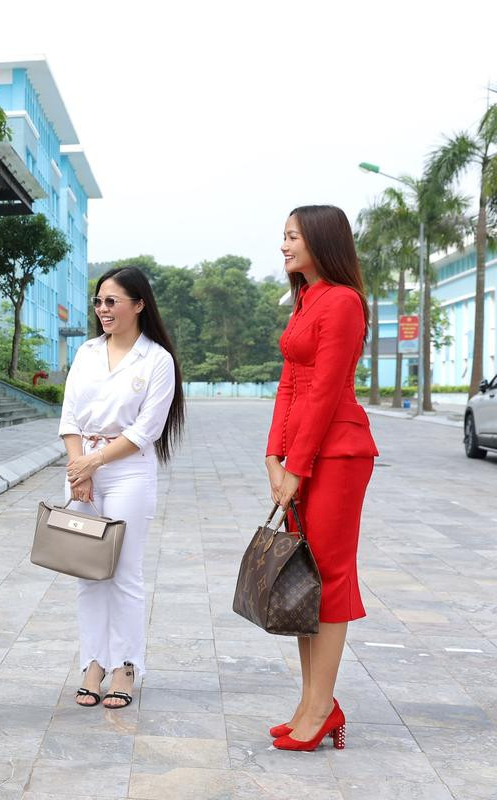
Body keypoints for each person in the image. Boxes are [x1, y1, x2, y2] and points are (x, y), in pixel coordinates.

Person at [266, 205, 378, 751]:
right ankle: (314, 703)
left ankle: (319, 708)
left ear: (321, 240)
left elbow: (329, 389)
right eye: (283, 236)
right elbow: (289, 385)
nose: (284, 245)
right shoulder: (305, 301)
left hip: (338, 455)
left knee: (328, 577)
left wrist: (298, 466)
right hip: (301, 458)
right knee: (304, 577)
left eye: (292, 236)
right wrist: (274, 456)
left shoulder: (344, 302)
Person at [59, 266, 184, 710]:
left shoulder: (156, 360)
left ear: (138, 305)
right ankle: (93, 662)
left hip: (129, 470)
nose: (103, 310)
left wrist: (93, 462)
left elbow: (146, 429)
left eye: (112, 301)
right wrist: (82, 469)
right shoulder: (87, 352)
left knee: (124, 573)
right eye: (98, 302)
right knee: (87, 571)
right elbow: (70, 417)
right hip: (83, 470)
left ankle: (125, 666)